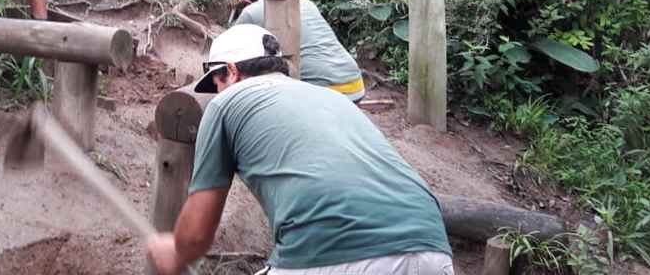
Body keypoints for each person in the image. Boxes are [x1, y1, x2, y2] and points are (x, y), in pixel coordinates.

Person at [146, 24, 453, 275]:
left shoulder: (226, 103)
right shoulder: (330, 99)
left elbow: (196, 235)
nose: (215, 93)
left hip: (335, 252)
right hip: (432, 248)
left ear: (231, 71)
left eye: (215, 83)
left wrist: (175, 251)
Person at [230, 0, 365, 101]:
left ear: (246, 2)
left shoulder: (251, 12)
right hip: (354, 82)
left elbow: (229, 53)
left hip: (323, 89)